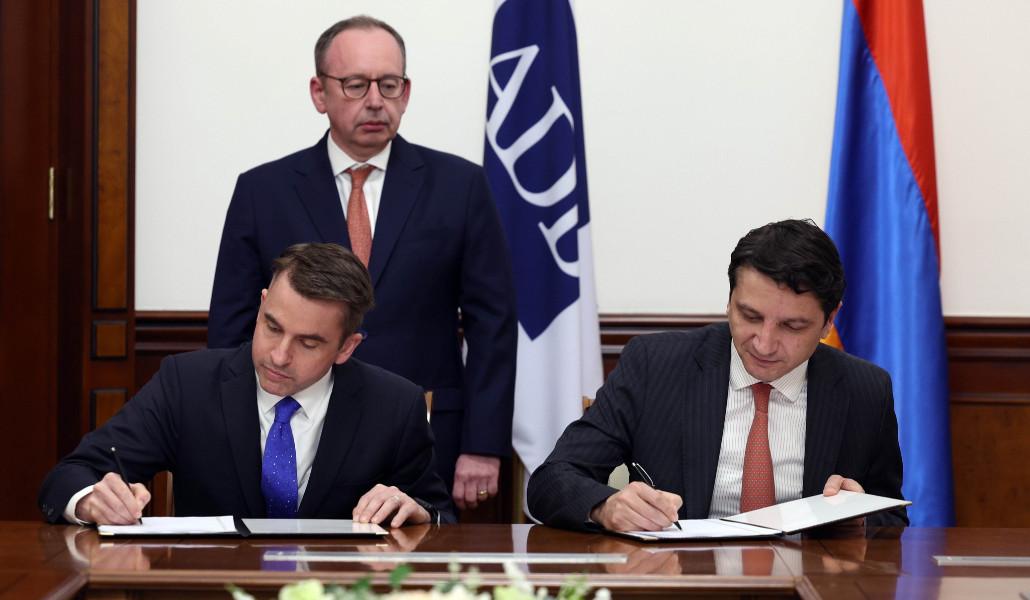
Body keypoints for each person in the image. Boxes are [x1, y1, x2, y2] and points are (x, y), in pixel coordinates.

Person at [207, 15, 516, 511]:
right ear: (319, 92)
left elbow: (493, 324)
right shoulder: (263, 191)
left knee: (416, 557)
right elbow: (232, 326)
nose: (375, 101)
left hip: (424, 434)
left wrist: (482, 443)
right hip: (293, 431)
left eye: (388, 85)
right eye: (355, 85)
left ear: (405, 92)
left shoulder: (460, 186)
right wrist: (230, 435)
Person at [528, 219, 908, 532]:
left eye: (792, 326)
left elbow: (891, 518)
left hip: (807, 582)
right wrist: (605, 506)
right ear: (729, 303)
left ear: (829, 321)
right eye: (750, 316)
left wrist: (859, 521)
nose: (764, 343)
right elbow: (551, 480)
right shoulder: (654, 366)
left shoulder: (865, 390)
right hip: (682, 581)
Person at [39, 243, 453, 526]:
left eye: (308, 343)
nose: (279, 355)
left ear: (346, 347)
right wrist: (90, 500)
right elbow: (70, 475)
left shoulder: (394, 404)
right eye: (272, 327)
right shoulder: (187, 384)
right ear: (262, 305)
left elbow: (439, 515)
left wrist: (417, 511)